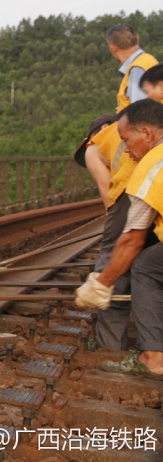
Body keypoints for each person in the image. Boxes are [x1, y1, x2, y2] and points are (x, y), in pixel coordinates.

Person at [76, 99, 163, 377]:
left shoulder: (150, 165)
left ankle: (143, 355)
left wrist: (101, 284)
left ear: (147, 133)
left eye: (126, 139)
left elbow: (130, 240)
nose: (124, 148)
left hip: (128, 201)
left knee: (142, 266)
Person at [75, 113, 132, 350]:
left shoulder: (96, 146)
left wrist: (112, 227)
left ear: (105, 128)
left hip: (128, 196)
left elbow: (109, 192)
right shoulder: (145, 132)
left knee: (112, 264)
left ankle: (110, 346)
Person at [108, 23, 159, 112]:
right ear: (138, 39)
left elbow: (140, 113)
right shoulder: (148, 61)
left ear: (112, 47)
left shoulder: (137, 70)